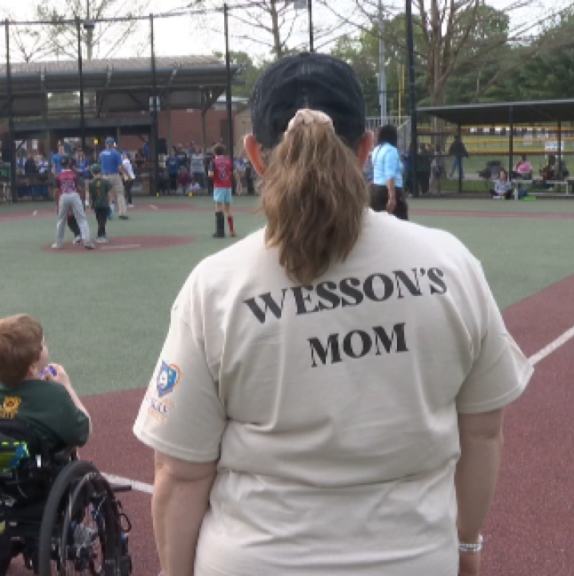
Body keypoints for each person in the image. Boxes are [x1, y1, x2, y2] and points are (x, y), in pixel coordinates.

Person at [133, 52, 532, 576]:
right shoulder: (449, 262)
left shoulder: (215, 285)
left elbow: (180, 472)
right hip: (412, 560)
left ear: (254, 154)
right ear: (366, 148)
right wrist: (466, 548)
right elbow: (481, 433)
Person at [0, 314, 90, 448]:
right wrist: (67, 386)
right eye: (43, 345)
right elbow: (83, 433)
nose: (46, 346)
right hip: (38, 463)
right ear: (32, 368)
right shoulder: (54, 394)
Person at [52, 157, 93, 250]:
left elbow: (56, 191)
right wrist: (82, 198)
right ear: (69, 164)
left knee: (61, 220)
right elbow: (79, 188)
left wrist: (56, 204)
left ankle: (59, 243)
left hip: (63, 196)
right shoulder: (74, 175)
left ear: (60, 165)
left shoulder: (58, 176)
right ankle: (86, 241)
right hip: (74, 195)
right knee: (82, 219)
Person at [370, 125, 408, 220]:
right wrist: (392, 197)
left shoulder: (376, 149)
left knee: (380, 222)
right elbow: (389, 174)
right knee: (401, 222)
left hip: (376, 189)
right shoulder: (391, 150)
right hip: (388, 190)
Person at [210, 143, 235, 238]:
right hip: (228, 185)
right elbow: (233, 172)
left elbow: (211, 174)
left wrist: (213, 177)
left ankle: (220, 232)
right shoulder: (228, 160)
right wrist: (239, 183)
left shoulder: (214, 161)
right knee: (228, 208)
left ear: (214, 152)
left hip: (219, 185)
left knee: (218, 206)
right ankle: (232, 231)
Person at [100, 138, 128, 219]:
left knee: (107, 195)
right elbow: (121, 166)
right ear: (113, 144)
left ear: (106, 144)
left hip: (105, 175)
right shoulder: (116, 153)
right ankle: (122, 213)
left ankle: (108, 213)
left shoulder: (101, 154)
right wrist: (127, 173)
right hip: (114, 175)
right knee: (120, 193)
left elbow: (100, 164)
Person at [87, 164, 112, 243]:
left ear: (92, 173)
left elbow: (90, 195)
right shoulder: (105, 181)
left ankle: (103, 234)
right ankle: (100, 235)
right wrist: (111, 202)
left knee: (99, 219)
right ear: (100, 172)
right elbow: (109, 193)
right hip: (104, 203)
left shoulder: (91, 182)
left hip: (96, 204)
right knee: (103, 220)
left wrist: (90, 204)